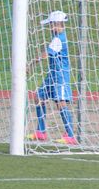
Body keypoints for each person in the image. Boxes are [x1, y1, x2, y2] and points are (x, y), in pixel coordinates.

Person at [30, 10, 77, 145]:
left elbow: (45, 55)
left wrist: (30, 64)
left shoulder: (59, 39)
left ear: (59, 24)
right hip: (52, 75)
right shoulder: (56, 38)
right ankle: (41, 132)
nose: (50, 28)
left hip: (60, 76)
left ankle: (70, 135)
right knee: (38, 96)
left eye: (52, 24)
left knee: (60, 103)